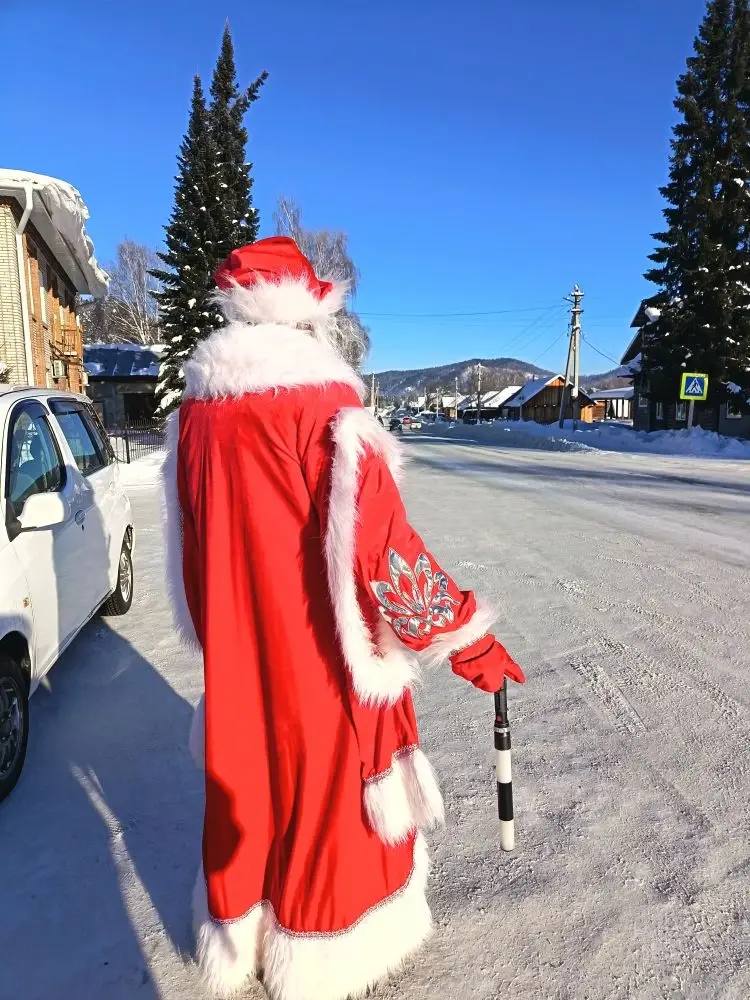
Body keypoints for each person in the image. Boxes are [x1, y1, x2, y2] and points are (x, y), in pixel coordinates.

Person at [163, 237, 525, 1000]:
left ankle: (245, 942)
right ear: (309, 315)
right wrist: (467, 638)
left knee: (252, 787)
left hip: (241, 651)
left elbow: (189, 543)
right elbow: (382, 549)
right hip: (322, 660)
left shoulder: (197, 415)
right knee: (327, 803)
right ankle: (319, 954)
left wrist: (225, 634)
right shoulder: (325, 408)